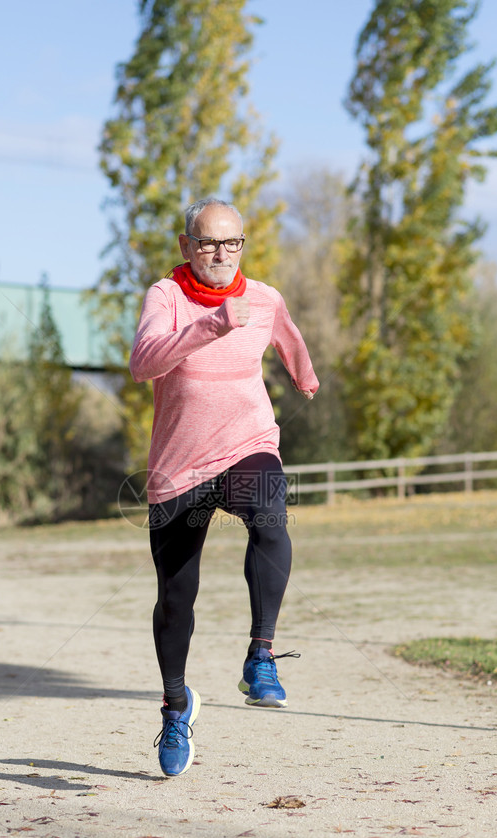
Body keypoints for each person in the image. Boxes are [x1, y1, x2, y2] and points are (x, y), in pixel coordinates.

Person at [129, 197, 319, 777]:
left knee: (269, 515)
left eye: (232, 243)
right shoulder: (165, 297)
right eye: (209, 242)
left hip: (247, 441)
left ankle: (261, 655)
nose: (221, 253)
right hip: (180, 465)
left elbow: (286, 334)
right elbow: (143, 363)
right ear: (186, 246)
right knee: (175, 600)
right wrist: (211, 324)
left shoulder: (264, 297)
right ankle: (176, 703)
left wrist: (303, 374)